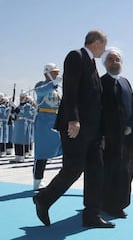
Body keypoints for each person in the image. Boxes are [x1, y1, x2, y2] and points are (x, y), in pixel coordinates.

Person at [32, 30, 114, 228]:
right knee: (73, 169)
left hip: (93, 129)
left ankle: (91, 215)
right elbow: (70, 89)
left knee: (96, 171)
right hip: (76, 127)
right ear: (95, 43)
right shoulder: (75, 56)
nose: (104, 50)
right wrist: (73, 120)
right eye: (103, 45)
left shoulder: (92, 63)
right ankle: (44, 199)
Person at [100, 47, 133, 218]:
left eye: (117, 59)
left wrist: (131, 126)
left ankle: (121, 201)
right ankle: (110, 205)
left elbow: (130, 105)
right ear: (105, 63)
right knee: (112, 171)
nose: (114, 62)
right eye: (110, 59)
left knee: (127, 170)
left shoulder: (125, 82)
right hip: (110, 137)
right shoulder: (101, 82)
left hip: (128, 136)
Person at [32, 63, 63, 190]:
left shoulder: (56, 89)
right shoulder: (41, 85)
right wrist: (54, 84)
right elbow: (41, 91)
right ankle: (37, 180)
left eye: (57, 72)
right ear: (47, 73)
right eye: (54, 72)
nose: (57, 74)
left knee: (62, 149)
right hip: (43, 123)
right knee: (42, 153)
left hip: (55, 123)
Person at [10, 92, 36, 163]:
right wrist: (13, 113)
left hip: (23, 124)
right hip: (17, 123)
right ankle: (17, 156)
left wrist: (16, 108)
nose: (21, 98)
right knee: (16, 139)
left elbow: (24, 114)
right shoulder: (19, 105)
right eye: (20, 97)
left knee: (20, 140)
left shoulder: (27, 106)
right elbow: (15, 114)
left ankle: (21, 156)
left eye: (23, 97)